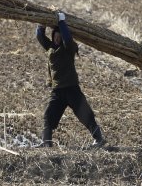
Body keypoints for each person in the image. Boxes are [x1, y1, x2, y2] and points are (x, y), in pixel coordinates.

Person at [35, 11, 106, 148]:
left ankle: (99, 139)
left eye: (59, 36)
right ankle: (46, 143)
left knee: (85, 114)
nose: (57, 39)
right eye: (56, 36)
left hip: (71, 89)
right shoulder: (50, 48)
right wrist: (41, 24)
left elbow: (68, 39)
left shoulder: (69, 48)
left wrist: (62, 22)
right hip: (57, 91)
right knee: (48, 116)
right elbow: (39, 36)